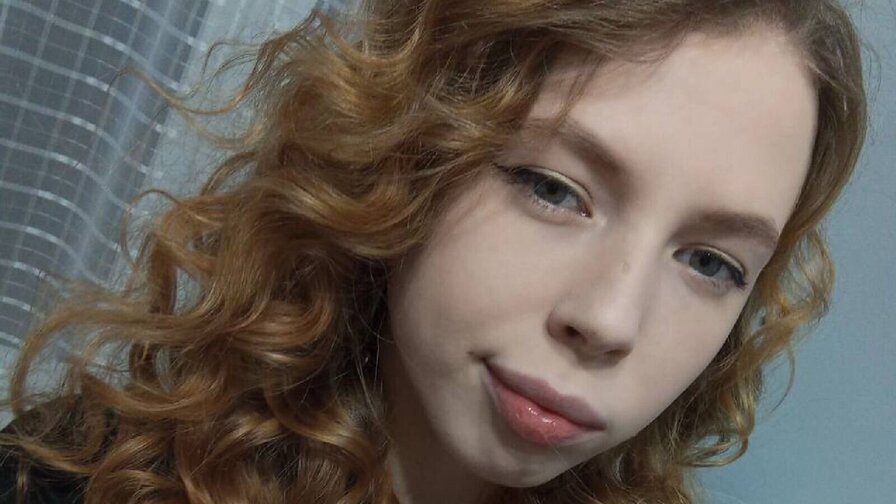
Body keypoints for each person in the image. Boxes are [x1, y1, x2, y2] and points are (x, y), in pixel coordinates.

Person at [0, 0, 867, 503]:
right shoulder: (72, 481)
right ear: (406, 154)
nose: (610, 319)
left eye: (711, 263)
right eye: (552, 189)